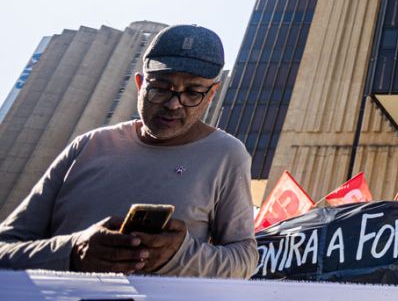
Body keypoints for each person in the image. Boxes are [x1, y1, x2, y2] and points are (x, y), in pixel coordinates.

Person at [0, 24, 256, 278]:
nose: (173, 104)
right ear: (140, 83)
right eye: (160, 88)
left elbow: (245, 258)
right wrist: (72, 252)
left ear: (212, 94)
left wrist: (179, 256)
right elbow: (4, 249)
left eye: (192, 92)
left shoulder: (227, 155)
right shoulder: (88, 145)